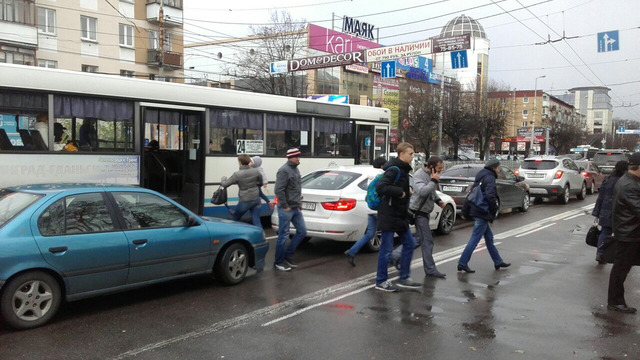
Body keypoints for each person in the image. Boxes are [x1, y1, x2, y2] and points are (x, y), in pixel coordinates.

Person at [391, 156, 447, 278]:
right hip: (418, 212)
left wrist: (438, 200)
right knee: (427, 241)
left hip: (424, 212)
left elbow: (431, 191)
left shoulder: (429, 175)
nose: (440, 171)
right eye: (438, 168)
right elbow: (422, 191)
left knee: (418, 239)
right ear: (431, 167)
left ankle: (395, 255)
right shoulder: (419, 175)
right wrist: (434, 181)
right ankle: (430, 269)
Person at [374, 142, 420, 292]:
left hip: (399, 215)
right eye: (410, 154)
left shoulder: (404, 170)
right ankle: (381, 281)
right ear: (401, 155)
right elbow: (381, 187)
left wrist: (407, 190)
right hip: (389, 214)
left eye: (413, 154)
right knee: (386, 250)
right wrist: (400, 192)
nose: (413, 157)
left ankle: (404, 277)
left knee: (410, 243)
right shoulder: (394, 169)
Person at [458, 159, 511, 273]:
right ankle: (462, 263)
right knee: (475, 239)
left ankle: (498, 261)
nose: (499, 170)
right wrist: (493, 210)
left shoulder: (481, 176)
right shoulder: (490, 178)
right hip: (482, 211)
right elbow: (490, 196)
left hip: (477, 209)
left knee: (489, 238)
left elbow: (471, 194)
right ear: (494, 168)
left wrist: (464, 210)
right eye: (498, 168)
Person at [606, 152, 640, 314]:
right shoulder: (630, 185)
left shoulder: (630, 181)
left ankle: (616, 301)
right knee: (620, 269)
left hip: (629, 232)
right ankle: (615, 302)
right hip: (628, 234)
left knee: (621, 268)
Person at [344, 157, 387, 266]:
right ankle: (390, 258)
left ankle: (352, 251)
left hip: (370, 207)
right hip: (379, 208)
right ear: (382, 166)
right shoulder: (383, 174)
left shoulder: (369, 174)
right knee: (388, 232)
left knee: (369, 234)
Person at [273, 148, 307, 272]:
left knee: (302, 231)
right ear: (290, 157)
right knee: (283, 235)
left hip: (295, 207)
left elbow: (296, 188)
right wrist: (285, 205)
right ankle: (279, 262)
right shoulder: (284, 170)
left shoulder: (295, 169)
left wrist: (299, 203)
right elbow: (279, 190)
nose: (299, 158)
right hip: (286, 208)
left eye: (299, 156)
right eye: (296, 156)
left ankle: (288, 255)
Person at [592, 160, 628, 264]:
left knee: (605, 232)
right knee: (623, 235)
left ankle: (600, 253)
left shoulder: (608, 179)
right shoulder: (626, 181)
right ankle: (622, 256)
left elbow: (601, 197)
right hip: (622, 212)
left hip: (606, 210)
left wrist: (597, 213)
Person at [221, 154, 262, 228]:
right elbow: (260, 183)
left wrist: (223, 179)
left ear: (240, 162)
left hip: (245, 200)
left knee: (235, 218)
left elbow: (224, 185)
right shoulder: (256, 171)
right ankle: (262, 237)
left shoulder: (237, 174)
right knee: (256, 221)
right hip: (256, 199)